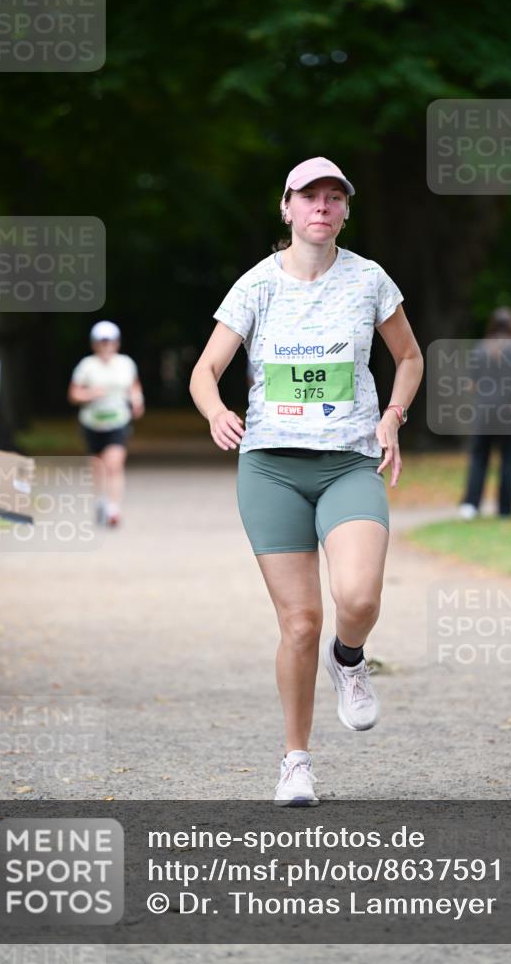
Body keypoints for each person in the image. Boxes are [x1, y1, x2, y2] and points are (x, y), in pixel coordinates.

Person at [189, 156, 423, 806]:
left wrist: (393, 415)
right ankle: (296, 762)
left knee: (359, 600)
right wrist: (216, 411)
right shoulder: (255, 287)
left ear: (345, 210)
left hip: (349, 462)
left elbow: (407, 356)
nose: (320, 207)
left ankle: (349, 658)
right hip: (271, 469)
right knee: (298, 622)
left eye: (333, 197)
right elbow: (205, 370)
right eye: (308, 196)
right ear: (286, 207)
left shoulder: (369, 280)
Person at [458, 308, 511, 519]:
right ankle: (505, 509)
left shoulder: (481, 348)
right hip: (508, 410)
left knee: (479, 458)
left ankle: (471, 506)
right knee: (509, 460)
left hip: (484, 411)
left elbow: (470, 383)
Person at [67, 321, 145, 527]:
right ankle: (101, 499)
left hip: (118, 421)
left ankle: (113, 508)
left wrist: (137, 400)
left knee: (115, 463)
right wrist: (90, 394)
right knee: (98, 466)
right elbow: (74, 394)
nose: (106, 346)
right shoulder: (86, 366)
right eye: (102, 342)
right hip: (92, 422)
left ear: (116, 343)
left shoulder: (125, 363)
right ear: (95, 344)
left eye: (109, 342)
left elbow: (134, 387)